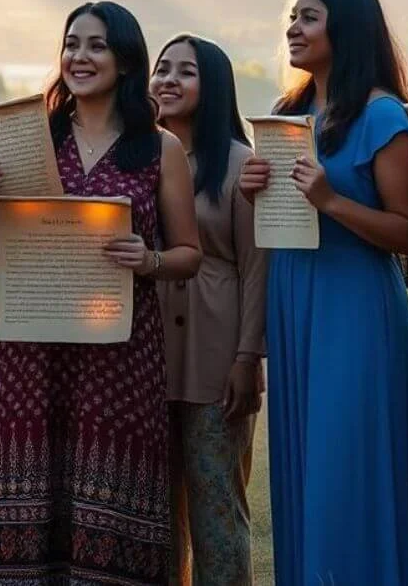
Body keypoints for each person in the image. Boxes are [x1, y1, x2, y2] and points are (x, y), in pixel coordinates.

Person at [0, 1, 203, 585]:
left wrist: (149, 260)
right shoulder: (32, 140)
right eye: (71, 44)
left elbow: (189, 254)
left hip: (121, 355)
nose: (79, 56)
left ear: (125, 61)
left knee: (111, 497)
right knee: (29, 495)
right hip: (29, 354)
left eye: (96, 45)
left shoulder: (159, 149)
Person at [239, 0, 408, 585]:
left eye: (309, 17)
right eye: (292, 16)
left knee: (343, 466)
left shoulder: (383, 115)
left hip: (354, 305)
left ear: (345, 26)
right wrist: (253, 192)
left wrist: (332, 201)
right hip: (293, 297)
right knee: (302, 463)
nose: (293, 28)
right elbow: (278, 219)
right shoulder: (288, 114)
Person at [150, 34, 266, 586]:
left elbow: (257, 269)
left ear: (214, 86)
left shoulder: (241, 165)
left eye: (186, 72)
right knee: (154, 511)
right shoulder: (140, 157)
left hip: (216, 354)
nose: (168, 80)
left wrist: (247, 358)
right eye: (162, 68)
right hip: (148, 354)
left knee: (217, 505)